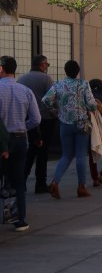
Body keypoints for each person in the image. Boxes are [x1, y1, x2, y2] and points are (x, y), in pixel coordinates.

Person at [43, 60, 96, 200]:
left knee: (66, 155)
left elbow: (46, 100)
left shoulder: (58, 84)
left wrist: (55, 110)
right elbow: (91, 105)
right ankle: (81, 187)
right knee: (80, 155)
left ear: (65, 71)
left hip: (64, 124)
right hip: (81, 124)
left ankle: (55, 182)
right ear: (78, 71)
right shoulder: (83, 84)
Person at [0, 56, 41, 231]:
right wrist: (23, 126)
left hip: (2, 139)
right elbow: (36, 118)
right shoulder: (25, 90)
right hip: (20, 138)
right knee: (18, 180)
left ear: (1, 69)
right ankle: (20, 220)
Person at [18, 55, 56, 194]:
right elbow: (52, 99)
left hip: (27, 120)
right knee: (42, 152)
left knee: (30, 152)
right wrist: (55, 113)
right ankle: (40, 183)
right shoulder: (46, 79)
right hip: (45, 120)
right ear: (42, 65)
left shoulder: (21, 79)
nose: (47, 66)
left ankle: (21, 181)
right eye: (47, 64)